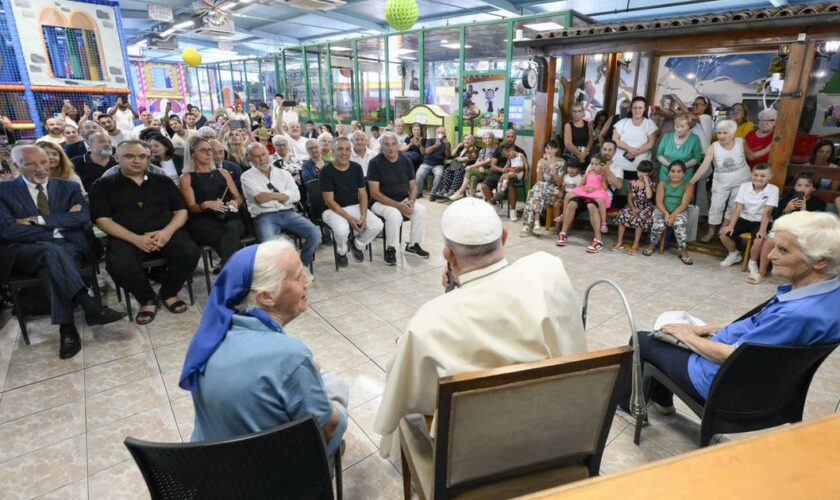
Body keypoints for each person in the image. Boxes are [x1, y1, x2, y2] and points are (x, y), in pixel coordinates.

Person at [374, 197, 588, 458]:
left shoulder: (428, 321)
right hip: (554, 437)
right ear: (505, 237)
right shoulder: (548, 269)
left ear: (448, 254)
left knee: (397, 363)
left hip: (476, 460)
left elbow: (408, 395)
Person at [619, 211, 840, 419]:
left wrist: (687, 335)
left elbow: (731, 356)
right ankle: (661, 399)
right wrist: (703, 329)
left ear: (820, 261)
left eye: (783, 250)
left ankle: (633, 405)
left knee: (642, 340)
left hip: (723, 384)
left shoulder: (796, 314)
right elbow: (758, 324)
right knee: (670, 336)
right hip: (770, 384)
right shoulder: (829, 294)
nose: (771, 255)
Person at [180, 240, 348, 457]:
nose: (309, 281)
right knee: (336, 384)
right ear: (265, 296)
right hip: (268, 478)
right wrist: (338, 409)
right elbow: (328, 427)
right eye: (298, 277)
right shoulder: (290, 355)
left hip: (212, 471)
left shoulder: (208, 340)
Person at [0, 145, 125, 358]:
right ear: (17, 166)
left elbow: (82, 217)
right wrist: (55, 229)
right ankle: (90, 306)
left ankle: (67, 328)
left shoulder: (68, 187)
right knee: (53, 253)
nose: (40, 169)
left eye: (44, 162)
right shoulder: (4, 191)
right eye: (30, 164)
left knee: (52, 261)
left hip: (66, 246)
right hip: (25, 252)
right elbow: (7, 229)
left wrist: (36, 221)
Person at [90, 140, 201, 325]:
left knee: (190, 252)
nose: (137, 161)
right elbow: (102, 220)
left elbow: (181, 211)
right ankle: (147, 298)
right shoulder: (103, 185)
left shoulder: (162, 181)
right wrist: (135, 239)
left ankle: (169, 292)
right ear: (116, 157)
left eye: (142, 156)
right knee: (118, 264)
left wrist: (166, 232)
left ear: (149, 159)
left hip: (165, 232)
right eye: (129, 156)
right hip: (126, 236)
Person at [240, 142, 320, 264]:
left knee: (315, 234)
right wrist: (284, 195)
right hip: (265, 216)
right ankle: (279, 273)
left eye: (263, 154)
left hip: (289, 213)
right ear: (249, 158)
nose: (261, 159)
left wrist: (270, 196)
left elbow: (296, 196)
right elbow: (260, 199)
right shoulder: (246, 177)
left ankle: (302, 265)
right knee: (270, 244)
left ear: (269, 154)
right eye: (256, 156)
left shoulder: (283, 173)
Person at [180, 137, 245, 272]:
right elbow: (192, 207)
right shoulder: (186, 178)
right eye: (203, 150)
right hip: (204, 221)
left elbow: (239, 198)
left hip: (228, 216)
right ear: (192, 153)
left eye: (210, 150)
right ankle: (237, 270)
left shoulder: (223, 173)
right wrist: (205, 205)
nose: (209, 154)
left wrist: (235, 203)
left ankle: (229, 271)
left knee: (232, 228)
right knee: (231, 235)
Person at [752, 172, 827, 285]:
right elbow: (776, 219)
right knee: (769, 242)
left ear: (813, 188)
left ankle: (799, 277)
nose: (802, 189)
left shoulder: (819, 203)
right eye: (799, 185)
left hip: (804, 233)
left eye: (807, 186)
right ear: (795, 186)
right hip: (784, 230)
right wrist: (787, 209)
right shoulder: (787, 198)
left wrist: (804, 211)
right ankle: (761, 272)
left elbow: (815, 225)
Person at [368, 132, 429, 266]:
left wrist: (411, 201)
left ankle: (413, 245)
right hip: (379, 203)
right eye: (387, 144)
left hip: (402, 200)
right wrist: (398, 206)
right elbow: (374, 193)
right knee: (395, 215)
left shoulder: (405, 160)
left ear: (398, 145)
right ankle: (391, 249)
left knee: (420, 210)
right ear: (381, 146)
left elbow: (413, 187)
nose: (391, 148)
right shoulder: (375, 163)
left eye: (394, 144)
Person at [320, 137, 384, 267]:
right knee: (342, 230)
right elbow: (329, 201)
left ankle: (358, 244)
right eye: (340, 149)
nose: (344, 153)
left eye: (347, 149)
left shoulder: (356, 168)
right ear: (333, 151)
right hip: (332, 209)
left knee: (377, 225)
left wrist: (363, 215)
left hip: (354, 205)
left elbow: (363, 194)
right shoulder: (326, 171)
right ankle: (341, 251)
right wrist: (350, 219)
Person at [689, 120, 752, 243]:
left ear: (733, 133)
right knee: (716, 206)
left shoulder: (741, 142)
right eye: (719, 133)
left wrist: (770, 146)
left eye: (725, 133)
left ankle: (723, 230)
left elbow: (752, 156)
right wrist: (691, 182)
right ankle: (711, 232)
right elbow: (704, 166)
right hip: (721, 181)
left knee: (733, 206)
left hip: (742, 180)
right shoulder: (714, 147)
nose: (721, 136)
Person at [719, 163, 779, 274]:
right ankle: (734, 254)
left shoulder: (773, 189)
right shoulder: (744, 186)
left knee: (759, 239)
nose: (758, 178)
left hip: (760, 221)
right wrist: (731, 225)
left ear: (769, 176)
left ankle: (752, 262)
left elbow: (767, 211)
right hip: (744, 218)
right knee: (723, 234)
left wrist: (762, 230)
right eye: (756, 175)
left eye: (762, 176)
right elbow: (738, 208)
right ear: (752, 174)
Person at [557, 154, 611, 253]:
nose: (593, 166)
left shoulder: (602, 175)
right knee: (571, 201)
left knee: (591, 206)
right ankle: (563, 231)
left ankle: (598, 240)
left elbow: (604, 187)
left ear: (601, 166)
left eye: (596, 164)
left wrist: (594, 188)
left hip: (595, 194)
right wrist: (585, 187)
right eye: (592, 164)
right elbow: (582, 184)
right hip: (585, 194)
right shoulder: (588, 172)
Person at [643, 160, 694, 264]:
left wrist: (673, 215)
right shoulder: (662, 183)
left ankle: (682, 250)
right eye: (673, 171)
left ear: (684, 173)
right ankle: (652, 245)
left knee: (680, 224)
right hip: (662, 210)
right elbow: (658, 202)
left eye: (679, 171)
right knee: (658, 224)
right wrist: (666, 214)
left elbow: (684, 204)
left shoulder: (688, 185)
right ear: (668, 172)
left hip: (679, 211)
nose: (675, 174)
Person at [520, 140, 563, 237]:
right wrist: (540, 170)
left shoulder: (561, 162)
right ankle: (535, 223)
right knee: (536, 189)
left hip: (554, 191)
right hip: (541, 191)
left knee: (532, 192)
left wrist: (552, 170)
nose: (549, 151)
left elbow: (559, 183)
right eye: (547, 148)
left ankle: (530, 224)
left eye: (552, 148)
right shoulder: (541, 161)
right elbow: (538, 180)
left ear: (556, 150)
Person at [482, 129, 528, 218]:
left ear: (515, 137)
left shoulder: (520, 151)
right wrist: (502, 170)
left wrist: (520, 168)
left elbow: (525, 165)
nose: (510, 138)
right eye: (508, 136)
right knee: (484, 186)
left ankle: (513, 211)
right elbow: (493, 165)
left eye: (512, 136)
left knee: (511, 186)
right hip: (498, 173)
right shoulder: (499, 149)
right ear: (505, 137)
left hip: (513, 174)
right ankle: (495, 204)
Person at [612, 96, 658, 184]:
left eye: (640, 108)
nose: (637, 110)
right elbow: (614, 139)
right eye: (635, 107)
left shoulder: (649, 124)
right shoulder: (623, 122)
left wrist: (636, 152)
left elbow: (651, 143)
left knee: (636, 195)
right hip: (619, 167)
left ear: (644, 109)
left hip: (641, 169)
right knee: (619, 194)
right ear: (631, 108)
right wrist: (629, 149)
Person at [612, 161, 655, 254]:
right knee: (623, 215)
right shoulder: (633, 183)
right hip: (633, 207)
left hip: (645, 209)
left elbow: (648, 196)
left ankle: (636, 243)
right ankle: (620, 241)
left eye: (644, 172)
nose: (641, 174)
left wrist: (647, 182)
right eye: (639, 171)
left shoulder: (651, 184)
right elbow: (629, 198)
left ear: (650, 173)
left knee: (639, 219)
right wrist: (632, 208)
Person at [448, 132, 496, 201]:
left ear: (493, 139)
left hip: (491, 172)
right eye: (486, 138)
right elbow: (478, 161)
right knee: (473, 177)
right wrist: (479, 166)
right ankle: (471, 197)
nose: (487, 140)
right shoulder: (482, 150)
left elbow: (488, 161)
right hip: (481, 170)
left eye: (489, 138)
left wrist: (472, 166)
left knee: (470, 169)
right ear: (483, 140)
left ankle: (460, 192)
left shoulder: (495, 150)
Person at [656, 113, 703, 181]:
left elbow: (697, 158)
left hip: (685, 175)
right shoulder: (667, 137)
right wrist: (669, 165)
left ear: (688, 126)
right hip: (666, 174)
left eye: (682, 127)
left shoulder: (694, 139)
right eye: (677, 127)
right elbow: (659, 155)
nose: (679, 130)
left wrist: (682, 167)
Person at [437, 134, 478, 199]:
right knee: (447, 171)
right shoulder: (461, 148)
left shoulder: (473, 148)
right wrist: (458, 146)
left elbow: (472, 157)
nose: (466, 141)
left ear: (472, 141)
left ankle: (453, 190)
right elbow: (452, 154)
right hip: (456, 165)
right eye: (465, 139)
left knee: (458, 172)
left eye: (468, 139)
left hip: (465, 166)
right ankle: (445, 189)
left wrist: (461, 159)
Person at [415, 126, 450, 201]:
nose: (440, 134)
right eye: (439, 132)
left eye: (442, 133)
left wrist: (447, 146)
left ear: (445, 134)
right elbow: (426, 152)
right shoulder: (430, 140)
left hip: (438, 164)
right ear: (436, 133)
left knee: (439, 175)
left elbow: (448, 155)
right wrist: (435, 146)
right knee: (419, 174)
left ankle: (433, 194)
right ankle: (419, 192)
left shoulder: (446, 142)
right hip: (427, 163)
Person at [552, 158, 584, 234]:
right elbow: (563, 188)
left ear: (578, 169)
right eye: (569, 167)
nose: (571, 170)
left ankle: (566, 227)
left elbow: (579, 192)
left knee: (570, 207)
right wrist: (560, 193)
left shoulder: (580, 178)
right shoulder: (565, 176)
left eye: (573, 168)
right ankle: (557, 225)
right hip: (565, 197)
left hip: (574, 199)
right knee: (556, 204)